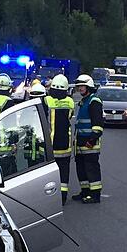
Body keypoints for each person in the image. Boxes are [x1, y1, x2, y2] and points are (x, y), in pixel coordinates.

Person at [73, 73, 104, 203]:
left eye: (82, 86)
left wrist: (91, 140)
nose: (80, 88)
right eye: (79, 86)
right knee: (81, 169)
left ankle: (95, 195)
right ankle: (85, 192)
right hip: (80, 142)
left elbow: (98, 125)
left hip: (90, 143)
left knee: (91, 169)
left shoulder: (94, 101)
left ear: (89, 87)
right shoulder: (83, 102)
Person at [44, 74, 75, 204]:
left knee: (49, 173)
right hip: (65, 145)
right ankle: (63, 196)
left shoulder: (46, 100)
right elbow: (70, 115)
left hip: (50, 145)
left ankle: (49, 196)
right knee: (64, 171)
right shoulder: (70, 102)